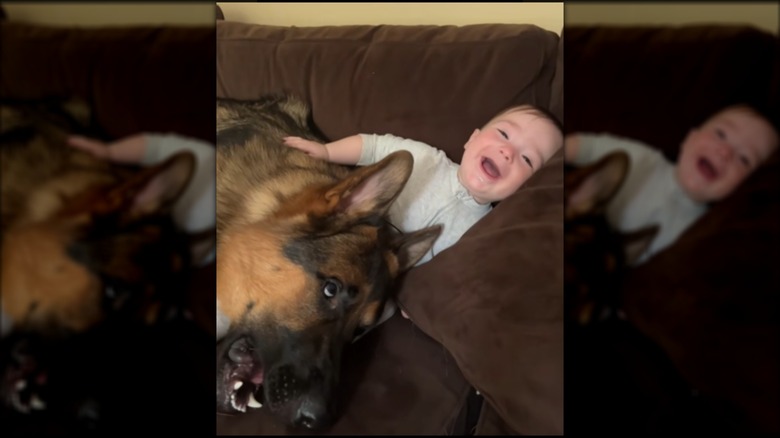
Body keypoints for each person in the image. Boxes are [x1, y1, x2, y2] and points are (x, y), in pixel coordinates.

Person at [284, 104, 564, 320]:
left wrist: (421, 301)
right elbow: (374, 146)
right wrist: (327, 152)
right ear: (472, 138)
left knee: (379, 312)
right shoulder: (427, 158)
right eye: (504, 134)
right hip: (355, 237)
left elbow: (457, 276)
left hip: (391, 282)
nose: (507, 152)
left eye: (527, 159)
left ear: (525, 189)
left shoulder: (485, 230)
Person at [565, 104, 779, 266]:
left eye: (744, 159)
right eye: (721, 134)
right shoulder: (645, 160)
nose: (725, 152)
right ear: (690, 137)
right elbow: (587, 147)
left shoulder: (702, 232)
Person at [67, 133, 216, 267]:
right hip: (135, 210)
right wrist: (110, 151)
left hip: (169, 248)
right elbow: (154, 147)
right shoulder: (208, 158)